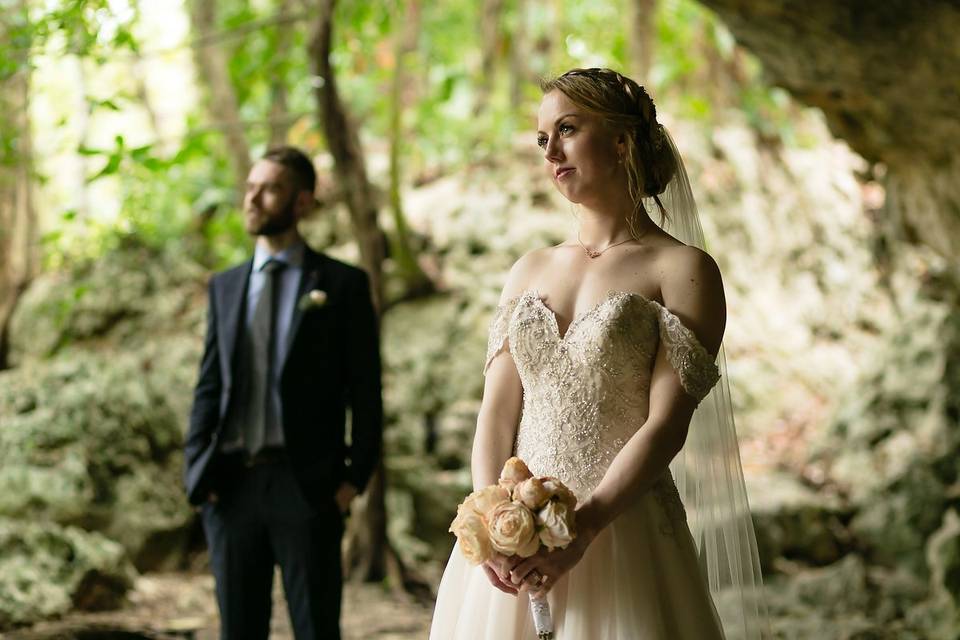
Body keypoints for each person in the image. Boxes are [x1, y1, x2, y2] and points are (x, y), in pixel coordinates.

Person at [429, 68, 766, 639]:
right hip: (514, 539)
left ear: (620, 141)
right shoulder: (529, 268)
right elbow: (496, 412)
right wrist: (491, 527)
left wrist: (582, 530)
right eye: (542, 139)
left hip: (620, 530)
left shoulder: (681, 270)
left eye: (567, 129)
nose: (551, 151)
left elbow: (666, 425)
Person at [183, 146, 383, 640]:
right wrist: (198, 472)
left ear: (302, 203)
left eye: (269, 188)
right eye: (251, 187)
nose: (253, 198)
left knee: (316, 629)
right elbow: (210, 384)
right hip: (230, 488)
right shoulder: (225, 286)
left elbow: (366, 391)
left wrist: (351, 481)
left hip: (307, 488)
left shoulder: (341, 284)